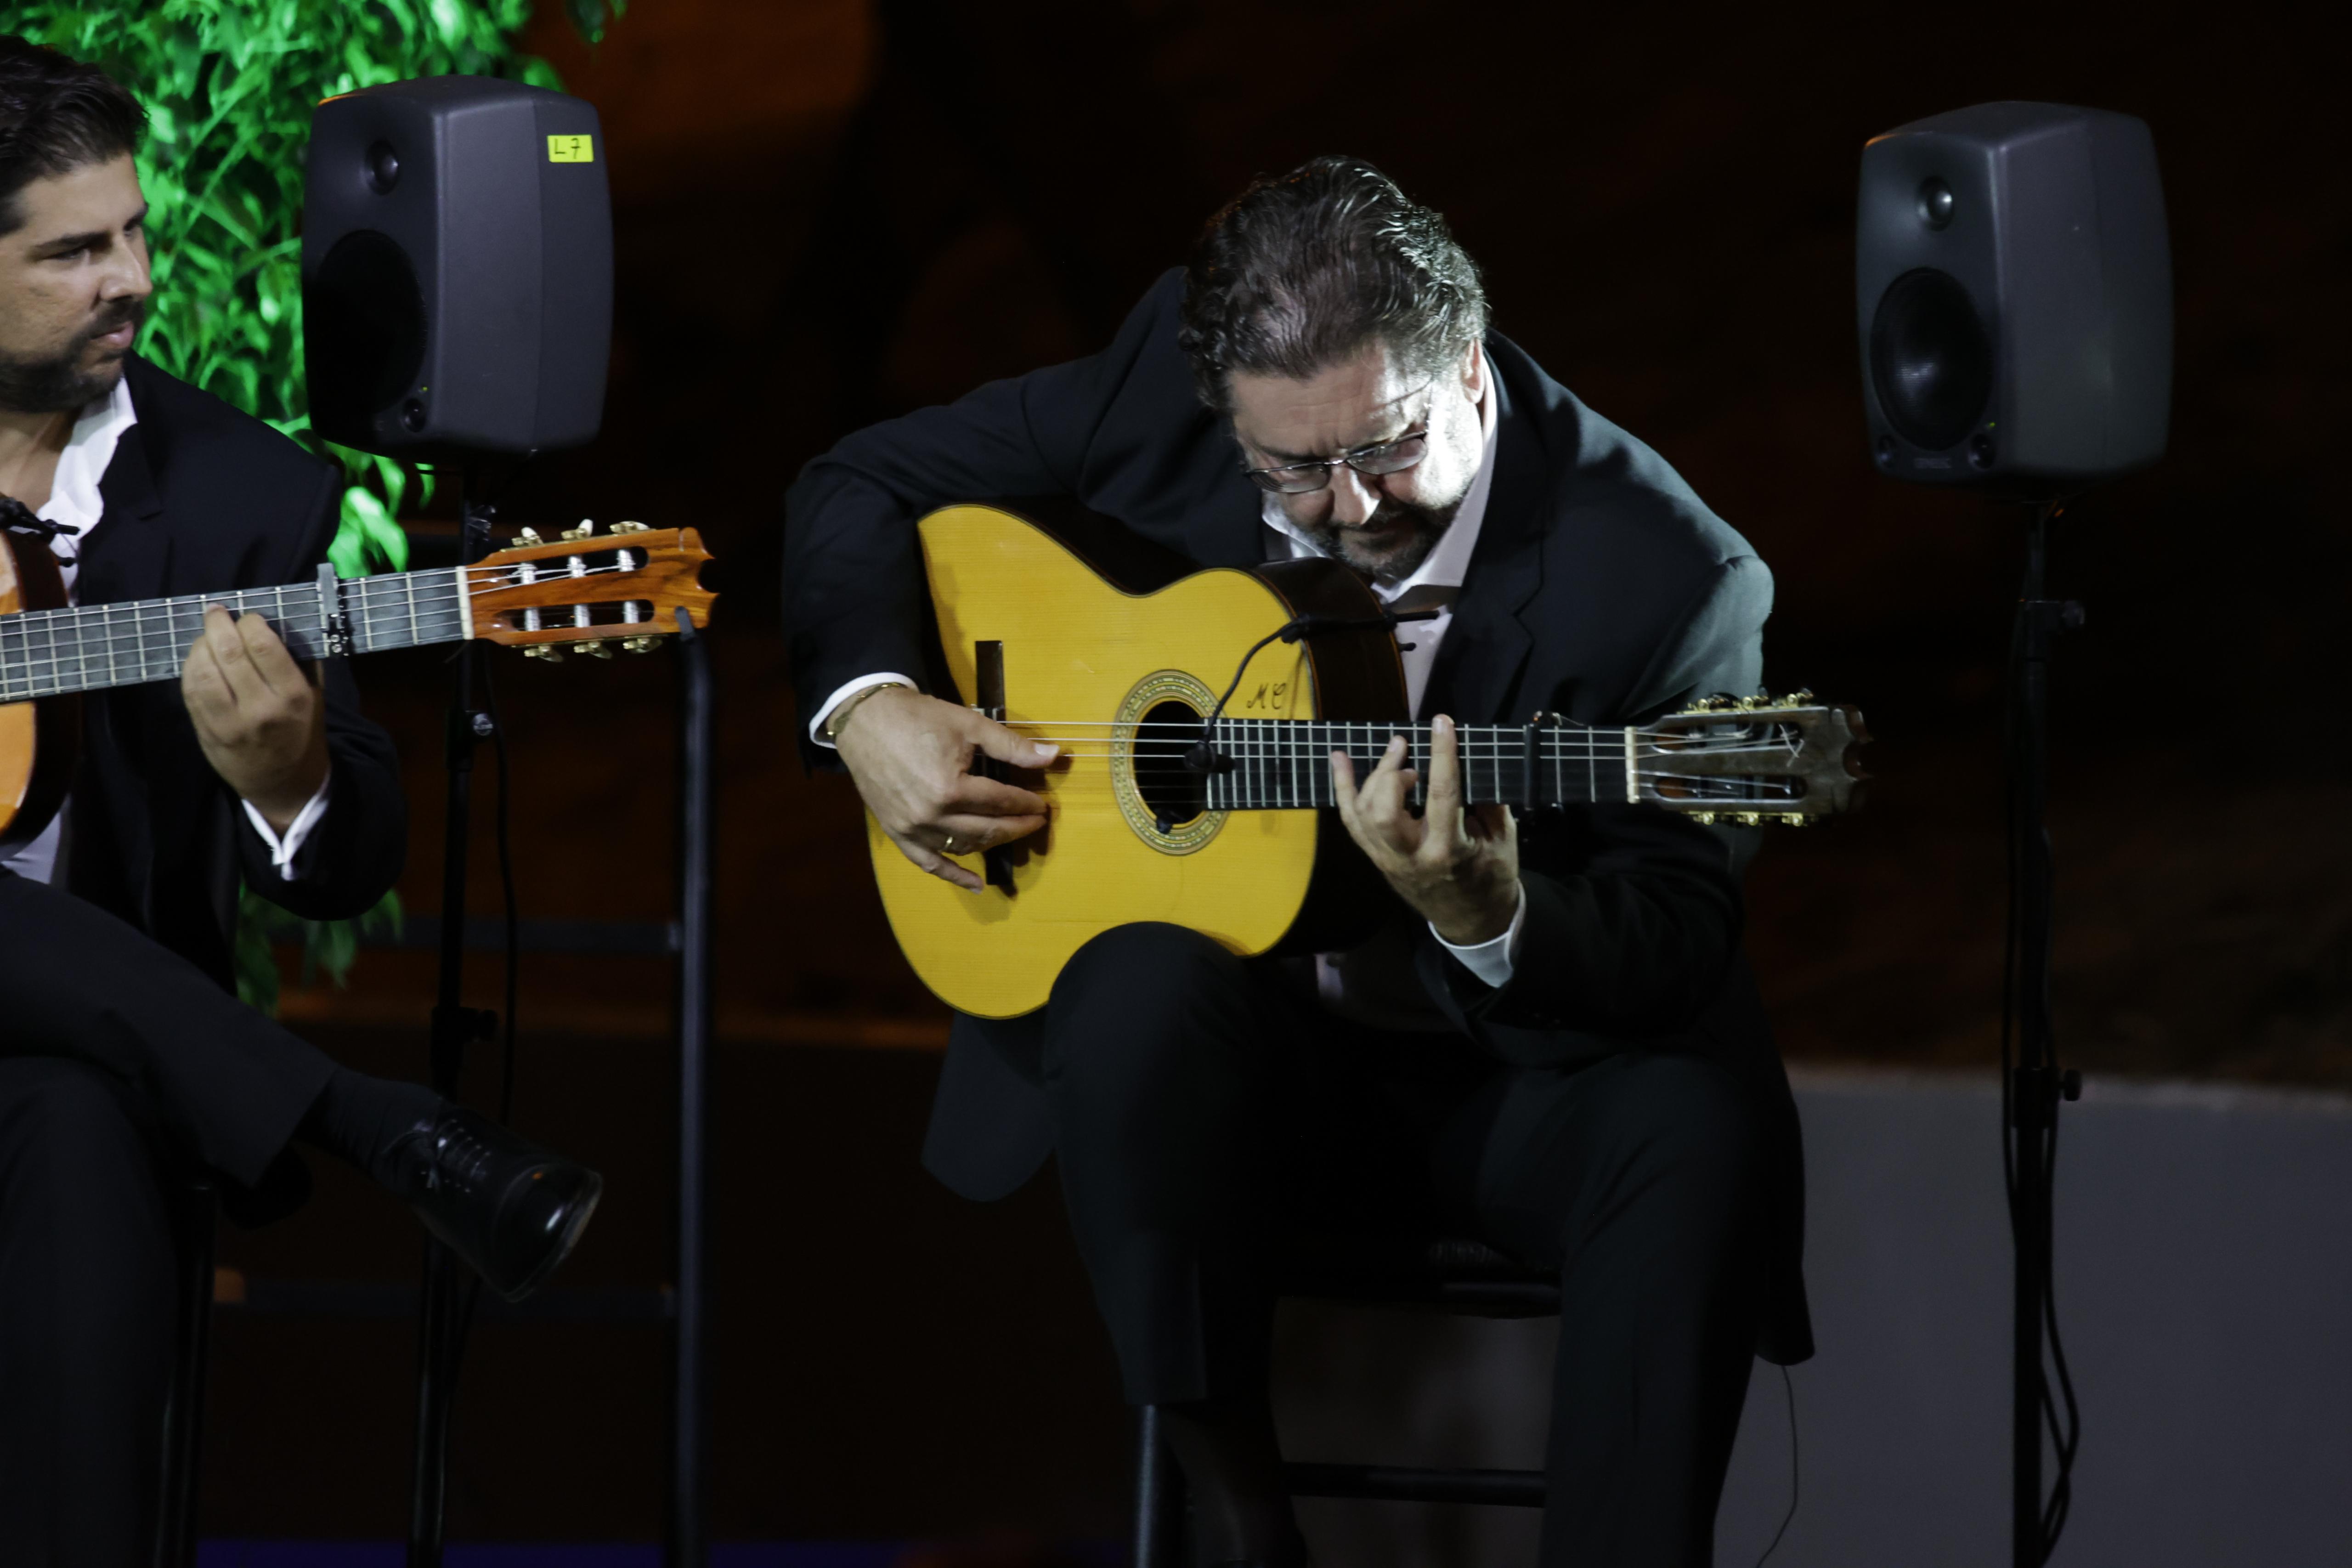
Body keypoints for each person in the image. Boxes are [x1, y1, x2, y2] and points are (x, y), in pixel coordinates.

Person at [786, 156, 1810, 1567]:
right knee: (1132, 989)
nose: (1344, 507)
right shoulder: (1163, 380)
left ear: (1465, 367)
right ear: (1225, 412)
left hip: (1513, 1093)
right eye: (1288, 469)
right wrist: (870, 708)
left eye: (1383, 451)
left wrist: (1491, 912)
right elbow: (858, 481)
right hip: (1237, 1079)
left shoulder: (1673, 573)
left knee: (1693, 1129)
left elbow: (1675, 930)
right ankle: (1250, 1533)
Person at [0, 36, 602, 1562]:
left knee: (75, 1136)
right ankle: (374, 1126)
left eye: (134, 231)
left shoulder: (246, 492)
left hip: (61, 1057)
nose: (129, 277)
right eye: (74, 251)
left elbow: (351, 860)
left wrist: (291, 782)